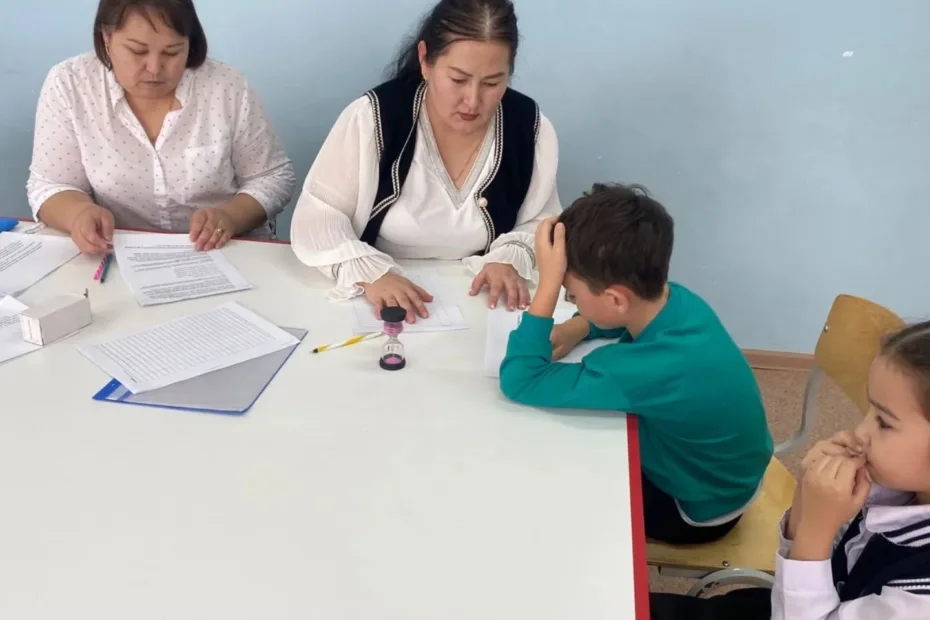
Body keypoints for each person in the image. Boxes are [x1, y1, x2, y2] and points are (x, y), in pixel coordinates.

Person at [499, 183, 773, 544]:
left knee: (556, 480)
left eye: (572, 294)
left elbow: (521, 379)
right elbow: (623, 316)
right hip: (729, 479)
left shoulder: (636, 370)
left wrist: (547, 286)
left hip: (695, 512)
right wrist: (580, 326)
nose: (570, 300)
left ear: (615, 299)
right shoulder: (678, 300)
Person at [290, 0, 560, 322]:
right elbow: (319, 215)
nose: (473, 101)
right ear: (425, 60)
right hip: (380, 302)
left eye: (492, 83)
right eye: (458, 79)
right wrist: (371, 273)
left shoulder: (528, 127)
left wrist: (509, 258)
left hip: (480, 305)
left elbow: (541, 220)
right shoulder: (374, 118)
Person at [650, 321, 930, 620]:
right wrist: (807, 503)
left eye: (884, 422)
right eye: (868, 411)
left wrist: (816, 528)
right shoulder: (895, 489)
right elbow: (823, 561)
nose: (861, 431)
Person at [27, 0, 296, 254]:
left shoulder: (226, 87)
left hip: (225, 252)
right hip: (120, 253)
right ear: (106, 38)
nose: (155, 68)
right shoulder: (71, 85)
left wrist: (231, 216)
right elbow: (50, 184)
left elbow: (272, 178)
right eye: (137, 51)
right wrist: (78, 214)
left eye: (172, 52)